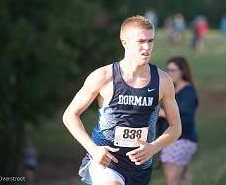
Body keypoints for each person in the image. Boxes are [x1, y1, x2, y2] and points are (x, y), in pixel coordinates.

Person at [63, 15, 182, 185]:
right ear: (124, 42)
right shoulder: (103, 77)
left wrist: (153, 147)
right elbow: (70, 115)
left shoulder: (163, 80)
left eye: (150, 41)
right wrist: (93, 149)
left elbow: (176, 127)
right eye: (140, 41)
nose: (146, 47)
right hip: (107, 162)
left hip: (140, 167)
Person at [160, 57, 198, 185]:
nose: (169, 73)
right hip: (174, 140)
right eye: (168, 70)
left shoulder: (188, 92)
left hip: (181, 140)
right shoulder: (173, 90)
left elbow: (186, 118)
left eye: (173, 70)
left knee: (172, 181)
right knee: (182, 179)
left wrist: (162, 113)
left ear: (182, 71)